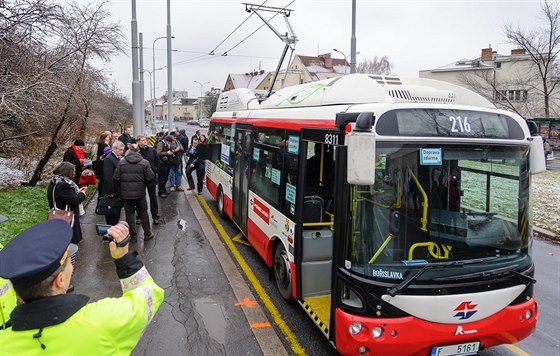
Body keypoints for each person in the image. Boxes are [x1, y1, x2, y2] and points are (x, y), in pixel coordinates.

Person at [0, 219, 164, 354]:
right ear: (60, 280)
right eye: (70, 263)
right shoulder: (103, 321)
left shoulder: (4, 344)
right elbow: (148, 294)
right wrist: (123, 258)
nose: (72, 266)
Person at [113, 144, 156, 242]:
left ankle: (133, 236)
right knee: (143, 213)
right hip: (140, 193)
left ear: (129, 151)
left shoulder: (122, 162)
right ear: (138, 151)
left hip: (126, 194)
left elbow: (116, 178)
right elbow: (150, 177)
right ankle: (147, 234)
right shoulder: (145, 163)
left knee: (129, 214)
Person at [47, 162, 87, 245]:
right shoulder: (63, 185)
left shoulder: (54, 181)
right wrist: (82, 194)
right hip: (66, 217)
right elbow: (74, 200)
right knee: (69, 244)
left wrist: (77, 192)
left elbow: (64, 197)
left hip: (57, 213)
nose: (74, 173)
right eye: (73, 171)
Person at [137, 135, 160, 225]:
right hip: (140, 179)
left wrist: (155, 170)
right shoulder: (136, 152)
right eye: (142, 140)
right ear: (138, 142)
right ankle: (139, 216)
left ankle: (155, 216)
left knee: (153, 197)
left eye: (145, 140)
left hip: (151, 178)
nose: (144, 141)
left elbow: (157, 161)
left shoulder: (152, 150)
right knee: (139, 198)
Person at [102, 141, 125, 225]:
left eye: (123, 150)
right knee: (111, 212)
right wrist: (110, 192)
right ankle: (111, 230)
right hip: (112, 191)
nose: (122, 152)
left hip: (116, 189)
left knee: (115, 212)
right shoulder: (109, 158)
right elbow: (108, 177)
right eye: (120, 150)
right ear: (115, 149)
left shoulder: (115, 157)